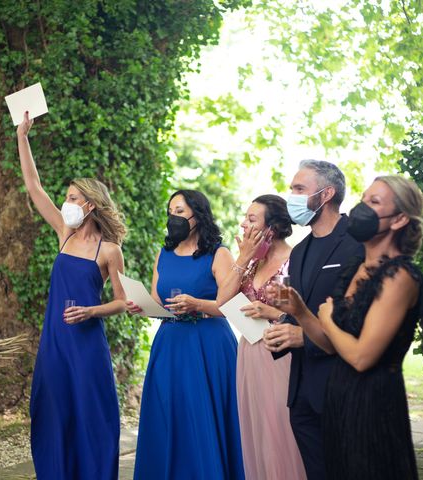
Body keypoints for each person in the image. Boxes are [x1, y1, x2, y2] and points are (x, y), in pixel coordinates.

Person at [275, 175, 423, 479]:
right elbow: (331, 344)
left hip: (372, 405)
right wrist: (302, 312)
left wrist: (329, 319)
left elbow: (360, 357)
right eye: (364, 198)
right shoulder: (358, 268)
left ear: (398, 219)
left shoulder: (399, 276)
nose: (362, 208)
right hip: (339, 400)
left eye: (374, 202)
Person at [17, 112, 127, 479]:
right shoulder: (63, 232)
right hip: (55, 341)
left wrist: (92, 311)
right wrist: (23, 137)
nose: (66, 202)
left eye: (73, 197)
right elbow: (34, 187)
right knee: (50, 411)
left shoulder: (110, 251)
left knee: (92, 415)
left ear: (90, 205)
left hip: (87, 345)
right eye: (65, 196)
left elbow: (121, 303)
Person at [127, 190, 245, 480]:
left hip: (207, 345)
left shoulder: (219, 254)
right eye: (170, 211)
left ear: (197, 215)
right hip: (170, 345)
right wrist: (142, 307)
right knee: (169, 416)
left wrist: (198, 304)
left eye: (179, 211)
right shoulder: (163, 253)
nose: (173, 217)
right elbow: (157, 301)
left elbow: (235, 305)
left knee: (201, 417)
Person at [262, 160, 364, 480]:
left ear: (326, 194)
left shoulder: (358, 244)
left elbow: (358, 323)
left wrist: (301, 336)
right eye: (292, 188)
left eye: (299, 189)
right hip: (302, 391)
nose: (291, 196)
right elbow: (298, 308)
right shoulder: (300, 249)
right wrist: (281, 326)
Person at [216, 194, 307, 480]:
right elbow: (222, 300)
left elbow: (294, 313)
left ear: (273, 228)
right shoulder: (252, 263)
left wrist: (268, 310)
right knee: (256, 433)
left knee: (280, 431)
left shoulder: (292, 261)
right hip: (249, 352)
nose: (243, 224)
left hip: (279, 352)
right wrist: (243, 258)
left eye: (252, 219)